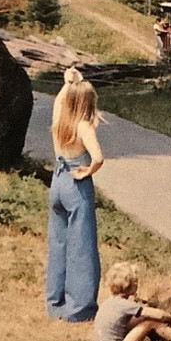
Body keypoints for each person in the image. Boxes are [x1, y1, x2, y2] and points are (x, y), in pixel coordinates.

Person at [46, 67, 105, 321]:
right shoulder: (83, 126)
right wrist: (88, 170)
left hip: (57, 181)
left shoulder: (60, 118)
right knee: (82, 246)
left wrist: (69, 81)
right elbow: (99, 157)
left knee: (58, 243)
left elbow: (60, 99)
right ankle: (80, 308)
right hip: (75, 182)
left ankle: (55, 303)